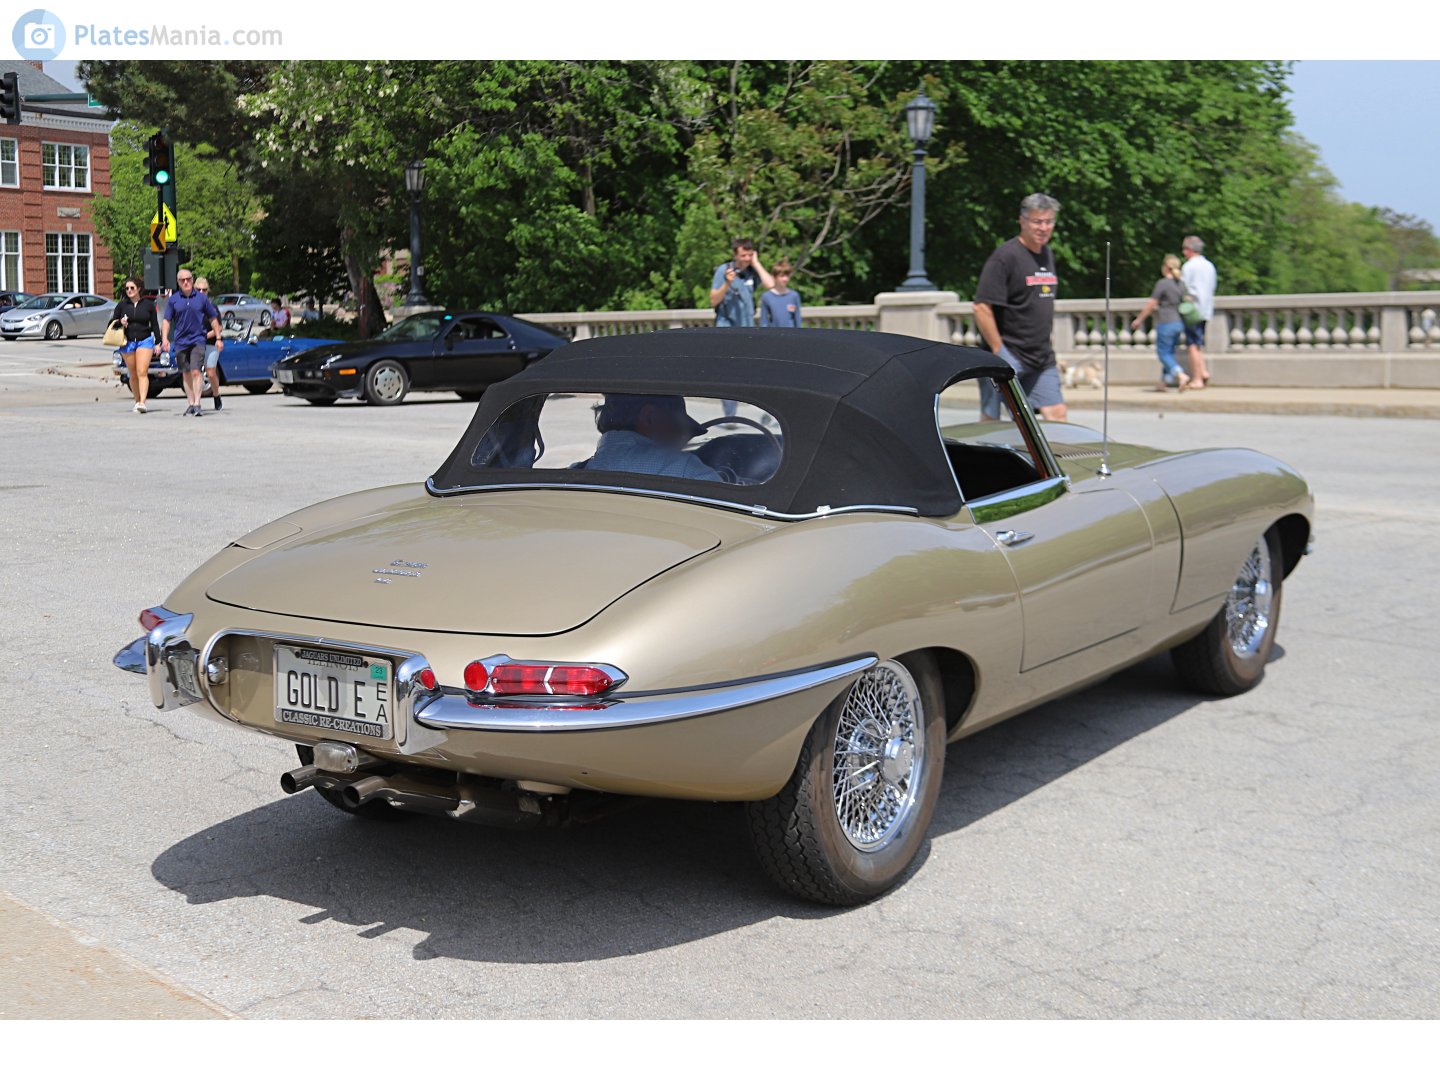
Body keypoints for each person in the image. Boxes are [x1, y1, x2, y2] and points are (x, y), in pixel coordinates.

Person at [973, 193, 1067, 422]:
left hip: (1041, 357)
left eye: (1048, 222)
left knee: (1057, 414)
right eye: (1037, 221)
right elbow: (981, 307)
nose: (1043, 228)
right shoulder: (1005, 257)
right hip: (1008, 355)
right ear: (1022, 221)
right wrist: (999, 352)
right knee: (991, 421)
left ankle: (1048, 460)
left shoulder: (1047, 254)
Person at [583, 394, 730, 482]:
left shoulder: (576, 473)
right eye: (677, 427)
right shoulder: (686, 470)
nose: (681, 440)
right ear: (651, 417)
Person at [161, 268, 224, 417]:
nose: (186, 282)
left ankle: (197, 403)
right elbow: (166, 320)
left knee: (196, 371)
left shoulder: (202, 299)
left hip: (198, 340)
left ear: (192, 279)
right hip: (181, 341)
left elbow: (213, 319)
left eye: (188, 279)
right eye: (183, 280)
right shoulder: (174, 300)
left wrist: (219, 338)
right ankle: (190, 403)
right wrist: (164, 338)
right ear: (178, 282)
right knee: (186, 373)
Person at [1130, 254, 1191, 391]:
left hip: (1166, 322)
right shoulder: (1181, 284)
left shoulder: (1163, 284)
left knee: (1163, 353)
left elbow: (1152, 303)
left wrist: (1139, 319)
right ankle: (1164, 383)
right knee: (1169, 352)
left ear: (1165, 268)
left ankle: (1180, 375)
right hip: (1178, 322)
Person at [112, 276, 159, 414]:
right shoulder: (122, 305)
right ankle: (137, 401)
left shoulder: (148, 305)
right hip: (128, 342)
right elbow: (112, 324)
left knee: (142, 372)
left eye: (132, 288)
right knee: (133, 374)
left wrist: (158, 342)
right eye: (127, 288)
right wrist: (121, 322)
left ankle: (143, 402)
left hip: (145, 340)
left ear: (139, 288)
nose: (129, 290)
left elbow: (155, 325)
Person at [1181, 235, 1217, 389]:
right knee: (1198, 342)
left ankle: (1197, 379)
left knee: (1192, 345)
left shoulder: (1189, 267)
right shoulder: (1209, 265)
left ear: (1189, 250)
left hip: (1192, 310)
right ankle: (1203, 372)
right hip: (1206, 308)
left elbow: (1184, 288)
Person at [195, 277, 224, 411]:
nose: (201, 292)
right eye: (198, 289)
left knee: (211, 372)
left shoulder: (212, 307)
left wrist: (207, 336)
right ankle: (196, 402)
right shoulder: (191, 306)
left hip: (211, 343)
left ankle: (216, 394)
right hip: (195, 343)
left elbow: (219, 327)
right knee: (196, 372)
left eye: (204, 290)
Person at [759, 261, 803, 328]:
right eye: (782, 276)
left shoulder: (794, 296)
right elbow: (764, 321)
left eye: (787, 276)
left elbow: (797, 320)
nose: (785, 279)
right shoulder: (767, 297)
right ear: (774, 277)